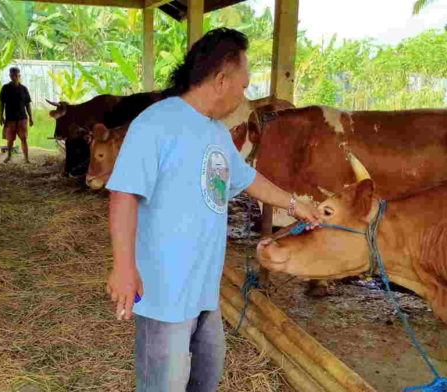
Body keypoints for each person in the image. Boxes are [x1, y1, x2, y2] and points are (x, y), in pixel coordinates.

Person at [105, 28, 322, 392]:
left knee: (204, 379)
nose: (244, 94)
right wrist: (123, 267)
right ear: (221, 80)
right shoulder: (157, 123)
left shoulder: (216, 133)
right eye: (243, 85)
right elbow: (123, 195)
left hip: (204, 289)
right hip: (164, 291)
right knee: (164, 385)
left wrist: (295, 204)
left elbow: (247, 178)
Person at [0, 67, 34, 163]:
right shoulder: (5, 88)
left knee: (24, 139)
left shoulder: (24, 89)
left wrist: (31, 117)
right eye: (12, 75)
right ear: (10, 76)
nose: (14, 77)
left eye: (16, 75)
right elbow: (2, 103)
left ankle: (26, 158)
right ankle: (9, 156)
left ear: (19, 76)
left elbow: (28, 104)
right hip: (10, 119)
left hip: (22, 118)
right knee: (10, 140)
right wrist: (1, 116)